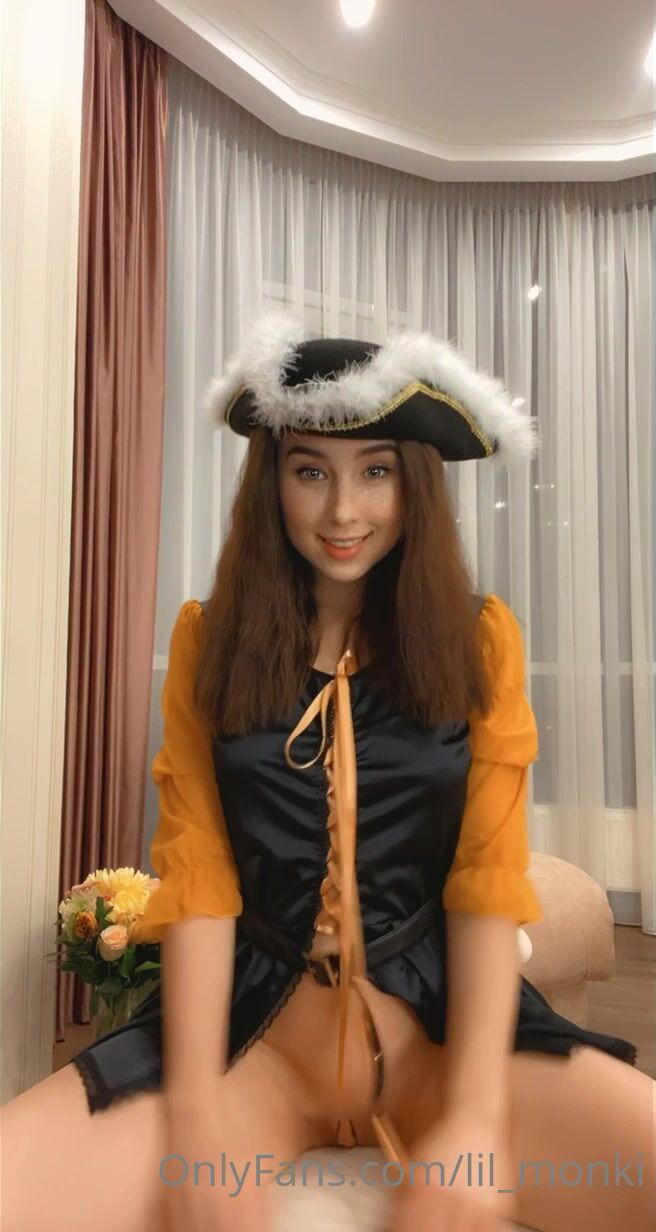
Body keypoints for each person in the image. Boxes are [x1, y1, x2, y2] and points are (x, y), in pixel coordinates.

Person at [2, 313, 653, 1232]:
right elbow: (199, 881)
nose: (344, 512)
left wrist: (473, 1119)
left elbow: (486, 881)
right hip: (255, 1048)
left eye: (375, 472)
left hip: (440, 1048)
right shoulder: (208, 642)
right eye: (310, 472)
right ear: (271, 481)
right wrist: (198, 1116)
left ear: (412, 482)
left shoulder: (479, 640)